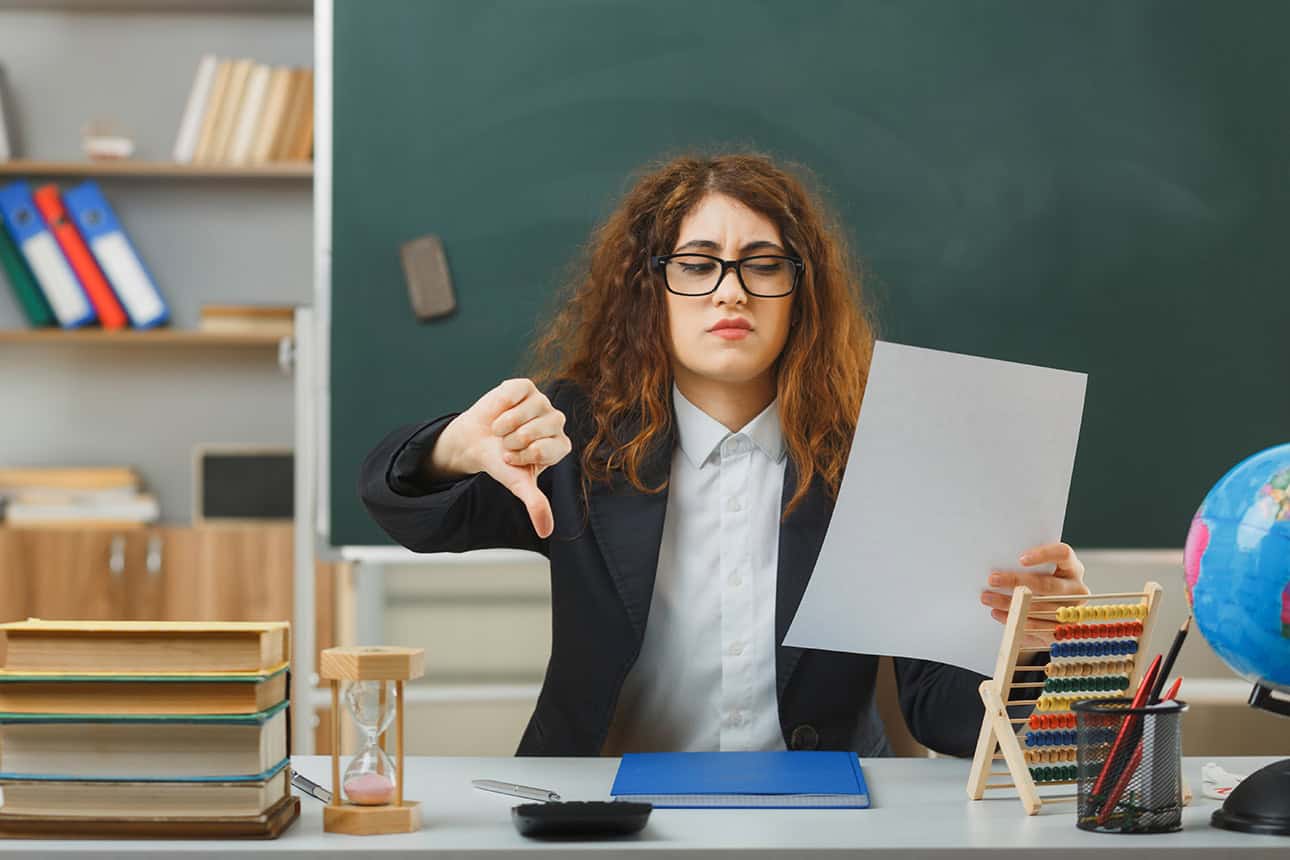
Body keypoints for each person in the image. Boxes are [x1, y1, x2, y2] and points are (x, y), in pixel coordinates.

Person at [359, 152, 1089, 757]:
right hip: (604, 816)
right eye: (698, 263)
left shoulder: (880, 454)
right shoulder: (573, 434)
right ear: (654, 289)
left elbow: (947, 717)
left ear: (802, 293)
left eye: (763, 265)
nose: (730, 292)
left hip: (828, 822)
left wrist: (1024, 649)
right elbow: (398, 508)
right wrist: (452, 449)